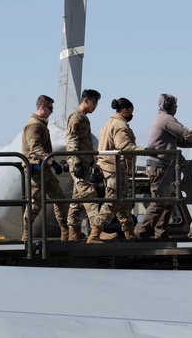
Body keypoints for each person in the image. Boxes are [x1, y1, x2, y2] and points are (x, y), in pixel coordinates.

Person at [134, 93, 192, 240]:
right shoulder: (167, 120)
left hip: (164, 166)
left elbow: (181, 141)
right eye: (174, 104)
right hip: (159, 166)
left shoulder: (164, 120)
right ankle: (140, 232)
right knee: (160, 201)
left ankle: (161, 232)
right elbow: (186, 133)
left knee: (168, 201)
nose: (176, 107)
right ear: (167, 105)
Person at [87, 97, 142, 243]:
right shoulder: (119, 125)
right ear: (125, 110)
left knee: (122, 202)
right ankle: (94, 234)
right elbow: (124, 146)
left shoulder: (108, 124)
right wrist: (146, 150)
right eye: (130, 111)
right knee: (112, 202)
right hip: (114, 169)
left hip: (111, 168)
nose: (131, 114)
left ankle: (129, 232)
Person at [20, 94, 68, 242]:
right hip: (36, 169)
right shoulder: (34, 125)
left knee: (60, 199)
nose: (51, 111)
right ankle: (26, 236)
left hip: (43, 169)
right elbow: (35, 148)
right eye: (50, 108)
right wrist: (52, 162)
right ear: (42, 107)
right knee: (35, 204)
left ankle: (65, 232)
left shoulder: (41, 124)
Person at [64, 88, 101, 241]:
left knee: (77, 200)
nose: (96, 106)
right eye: (94, 102)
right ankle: (96, 231)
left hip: (84, 163)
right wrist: (77, 162)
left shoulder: (83, 118)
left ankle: (72, 232)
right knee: (89, 195)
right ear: (86, 100)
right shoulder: (76, 118)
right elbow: (72, 141)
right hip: (78, 164)